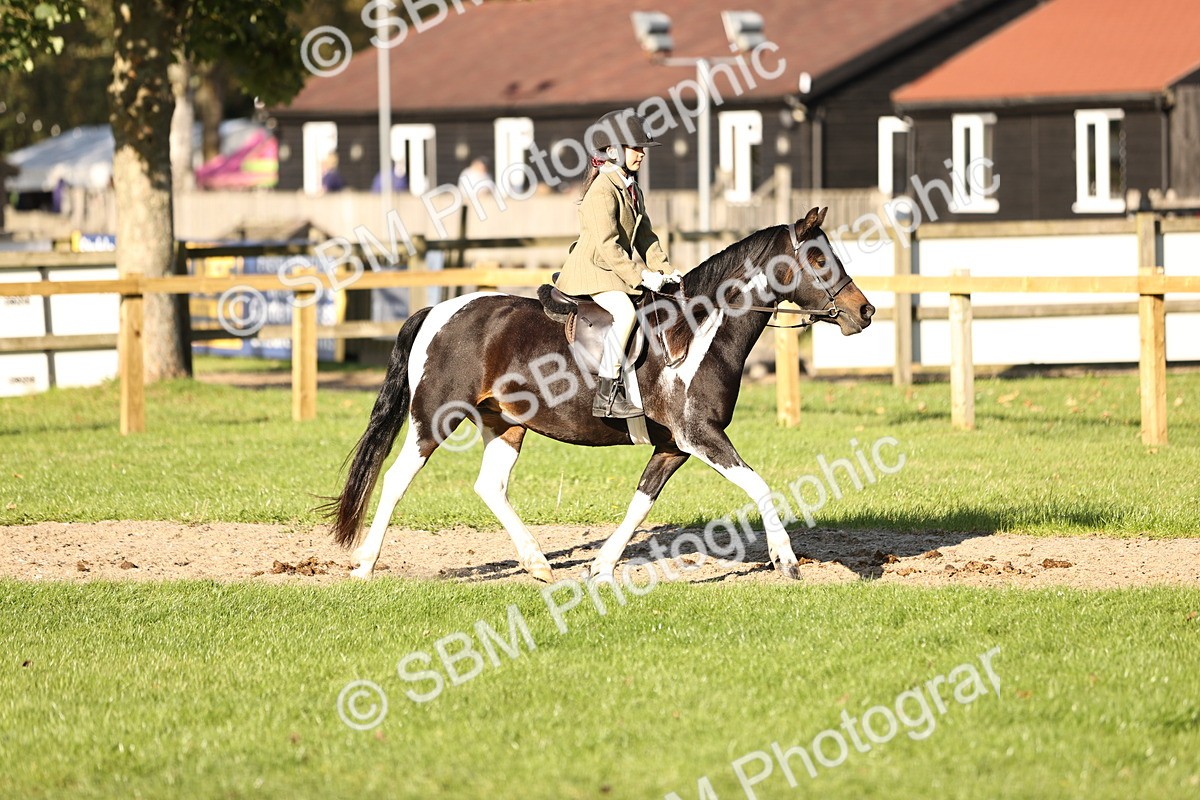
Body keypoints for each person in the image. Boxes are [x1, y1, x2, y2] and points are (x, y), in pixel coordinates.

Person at [555, 110, 681, 418]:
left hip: (613, 272)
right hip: (592, 272)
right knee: (625, 312)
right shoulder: (602, 190)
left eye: (642, 148)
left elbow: (646, 238)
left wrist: (666, 271)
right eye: (635, 148)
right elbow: (608, 246)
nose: (641, 154)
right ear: (613, 151)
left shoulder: (631, 187)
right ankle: (606, 393)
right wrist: (642, 276)